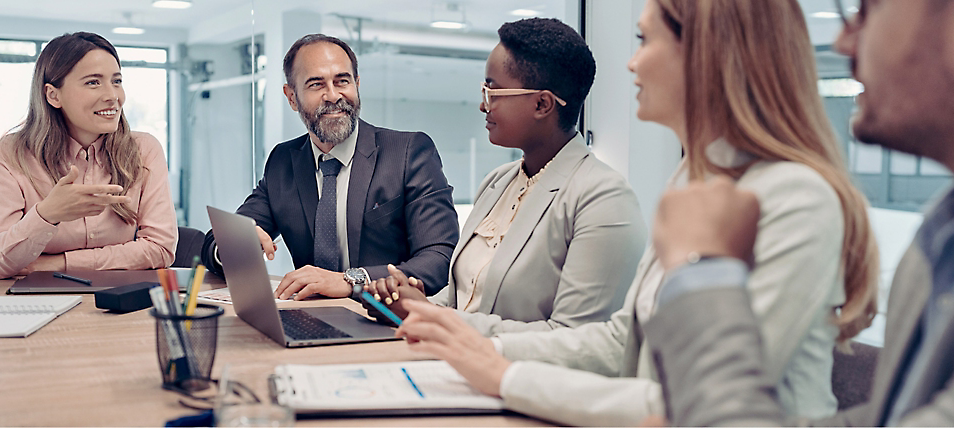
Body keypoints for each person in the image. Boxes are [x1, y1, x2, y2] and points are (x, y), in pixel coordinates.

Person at [392, 0, 879, 425]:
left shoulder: (795, 197)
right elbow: (622, 342)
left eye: (645, 39)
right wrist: (481, 348)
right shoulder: (695, 180)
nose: (632, 62)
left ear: (706, 54)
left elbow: (693, 406)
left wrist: (505, 375)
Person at [645, 0, 954, 425]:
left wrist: (703, 272)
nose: (844, 42)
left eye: (866, 11)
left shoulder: (796, 195)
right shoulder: (938, 241)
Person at [363, 18, 647, 335]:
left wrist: (432, 315)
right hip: (454, 365)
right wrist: (407, 303)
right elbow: (465, 301)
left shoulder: (603, 199)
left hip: (524, 381)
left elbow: (576, 340)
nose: (483, 106)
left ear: (542, 104)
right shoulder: (498, 181)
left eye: (493, 91)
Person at [200, 34, 459, 300]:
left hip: (389, 321)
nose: (333, 96)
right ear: (291, 97)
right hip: (310, 318)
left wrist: (351, 281)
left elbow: (439, 258)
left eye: (342, 81)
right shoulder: (283, 161)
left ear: (357, 85)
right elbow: (215, 242)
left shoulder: (407, 152)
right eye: (316, 84)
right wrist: (235, 245)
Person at [0, 32, 177, 279]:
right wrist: (47, 214)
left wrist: (59, 263)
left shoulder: (145, 150)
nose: (113, 96)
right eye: (93, 82)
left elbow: (160, 248)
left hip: (122, 303)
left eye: (116, 81)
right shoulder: (10, 155)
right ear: (53, 95)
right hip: (38, 305)